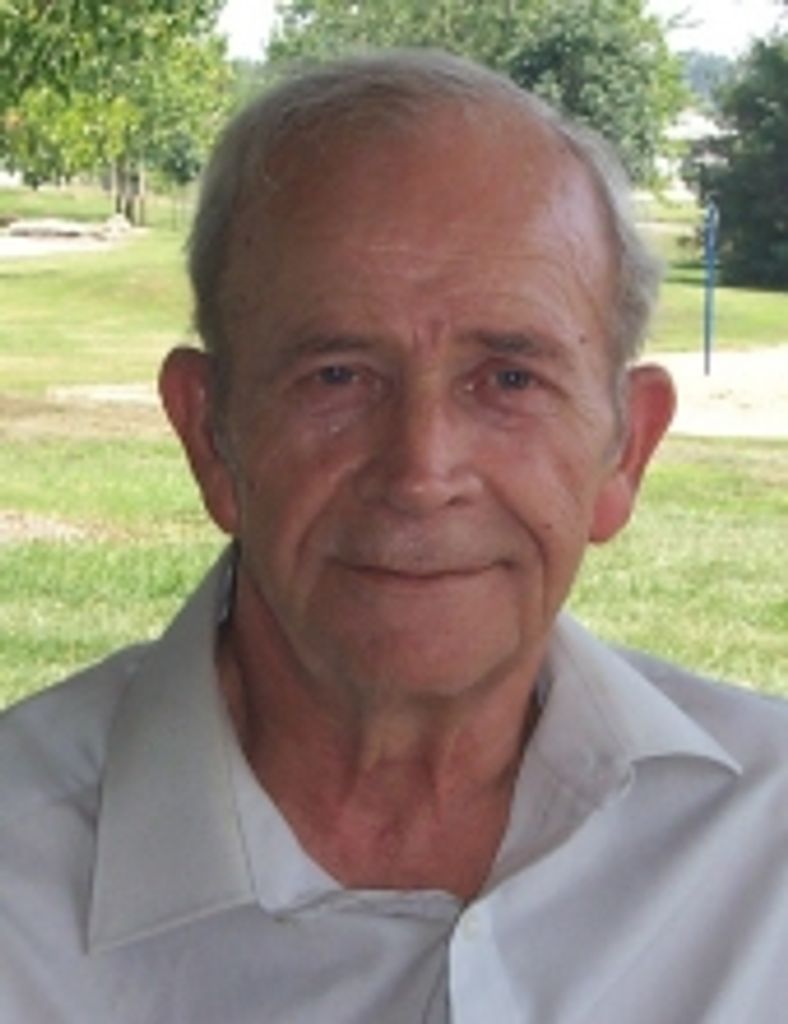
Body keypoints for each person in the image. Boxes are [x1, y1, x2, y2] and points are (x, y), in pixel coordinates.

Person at [1, 50, 786, 1024]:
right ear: (210, 434)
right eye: (336, 375)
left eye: (508, 379)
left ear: (624, 451)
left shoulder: (766, 856)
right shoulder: (19, 890)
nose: (420, 472)